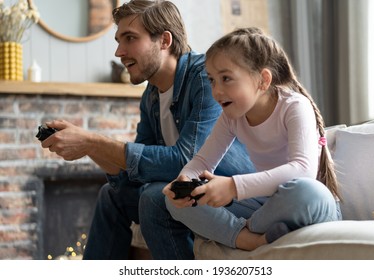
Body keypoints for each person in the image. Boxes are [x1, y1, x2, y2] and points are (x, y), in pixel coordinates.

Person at [40, 0, 254, 259]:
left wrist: (93, 141)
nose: (119, 52)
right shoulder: (151, 96)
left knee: (154, 198)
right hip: (186, 196)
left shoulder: (205, 77)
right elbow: (137, 176)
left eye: (130, 38)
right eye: (118, 40)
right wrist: (88, 147)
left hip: (230, 194)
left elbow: (188, 161)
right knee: (110, 196)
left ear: (164, 40)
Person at [164, 27, 342, 251]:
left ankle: (245, 229)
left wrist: (233, 186)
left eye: (226, 78)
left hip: (308, 204)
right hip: (264, 205)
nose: (216, 91)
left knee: (308, 191)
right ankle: (251, 239)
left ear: (263, 80)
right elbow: (202, 162)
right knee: (173, 203)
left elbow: (302, 170)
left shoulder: (294, 106)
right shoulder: (232, 116)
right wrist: (185, 182)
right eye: (212, 80)